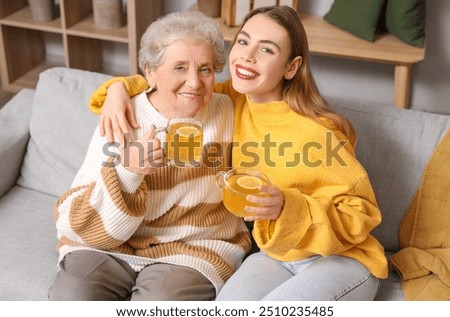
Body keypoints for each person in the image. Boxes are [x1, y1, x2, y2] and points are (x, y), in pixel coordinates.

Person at [88, 6, 388, 300]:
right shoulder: (234, 99)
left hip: (341, 257)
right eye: (243, 41)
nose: (247, 55)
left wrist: (287, 207)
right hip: (274, 252)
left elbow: (362, 213)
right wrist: (118, 89)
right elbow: (176, 79)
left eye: (267, 50)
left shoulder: (318, 131)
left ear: (291, 67)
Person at [48, 11, 252, 301]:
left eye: (205, 69)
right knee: (73, 296)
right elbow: (79, 222)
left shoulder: (230, 110)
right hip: (110, 245)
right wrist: (128, 171)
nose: (194, 82)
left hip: (193, 246)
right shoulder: (122, 114)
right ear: (150, 72)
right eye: (180, 67)